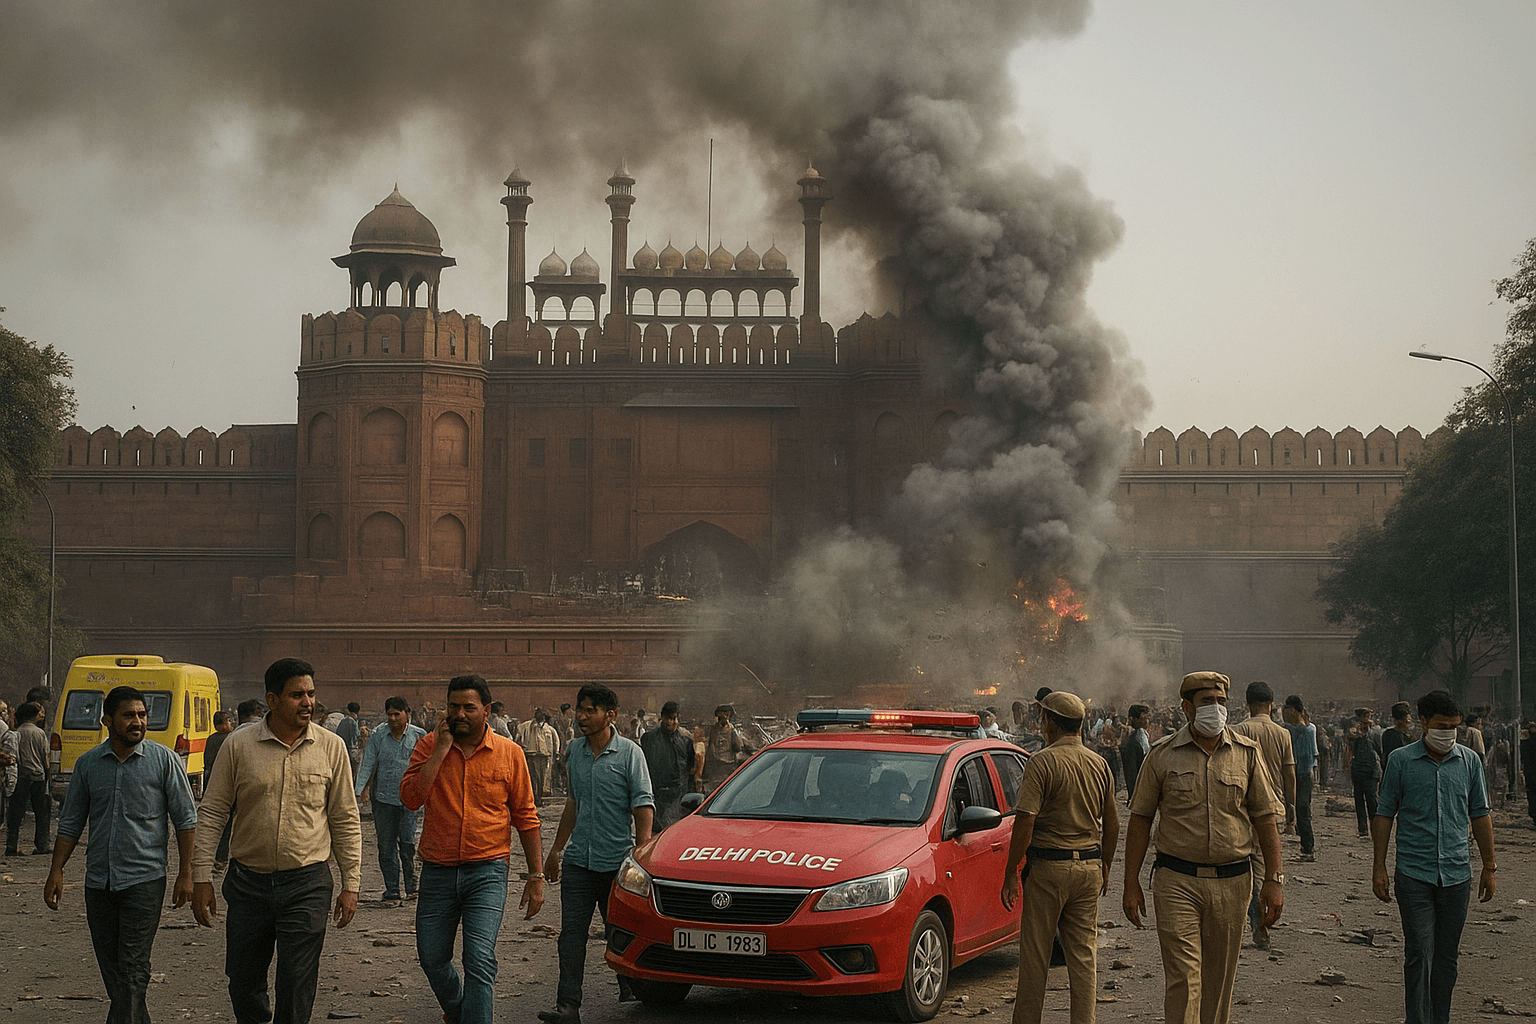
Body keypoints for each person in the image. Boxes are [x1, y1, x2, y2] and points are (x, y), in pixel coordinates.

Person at [191, 658, 363, 1024]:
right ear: (272, 699)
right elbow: (213, 812)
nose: (308, 703)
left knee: (298, 980)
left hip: (308, 883)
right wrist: (201, 876)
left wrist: (352, 884)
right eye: (297, 695)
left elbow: (345, 818)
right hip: (248, 884)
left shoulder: (331, 748)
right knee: (243, 980)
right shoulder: (238, 746)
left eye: (311, 694)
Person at [1123, 671, 1284, 1024]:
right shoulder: (1162, 755)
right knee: (1184, 980)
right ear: (1187, 707)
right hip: (1177, 881)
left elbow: (1266, 818)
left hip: (1234, 882)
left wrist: (1273, 879)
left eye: (1221, 701)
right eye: (1207, 702)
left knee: (1218, 984)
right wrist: (1130, 881)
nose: (1216, 709)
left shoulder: (1247, 754)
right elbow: (1140, 819)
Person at [45, 684, 198, 1024]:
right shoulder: (88, 765)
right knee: (114, 970)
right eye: (129, 715)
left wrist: (186, 874)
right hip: (99, 882)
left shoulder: (165, 761)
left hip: (144, 881)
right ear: (107, 721)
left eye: (142, 715)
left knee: (132, 967)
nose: (138, 722)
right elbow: (71, 822)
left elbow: (186, 820)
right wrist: (56, 870)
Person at [402, 675, 545, 1024]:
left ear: (487, 710)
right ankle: (460, 1010)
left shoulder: (509, 754)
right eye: (453, 706)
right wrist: (440, 750)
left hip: (488, 870)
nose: (460, 714)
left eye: (469, 707)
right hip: (438, 870)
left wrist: (536, 875)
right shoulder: (428, 746)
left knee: (479, 958)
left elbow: (526, 817)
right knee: (432, 958)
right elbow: (411, 799)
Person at [1372, 689, 1495, 1024]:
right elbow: (1385, 815)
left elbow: (1480, 815)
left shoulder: (1468, 761)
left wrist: (1489, 866)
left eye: (1454, 727)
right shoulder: (1400, 761)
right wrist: (1378, 866)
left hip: (1457, 875)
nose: (1448, 734)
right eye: (1441, 726)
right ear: (1423, 722)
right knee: (1418, 954)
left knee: (1446, 958)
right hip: (1413, 874)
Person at [539, 684, 654, 1024]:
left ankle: (631, 985)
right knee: (570, 937)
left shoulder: (630, 753)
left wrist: (641, 852)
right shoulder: (574, 751)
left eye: (590, 710)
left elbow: (643, 805)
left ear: (610, 715)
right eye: (580, 709)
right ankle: (567, 1007)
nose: (582, 716)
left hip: (616, 864)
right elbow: (572, 803)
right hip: (578, 862)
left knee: (617, 930)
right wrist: (557, 850)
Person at [1001, 690, 1118, 1024]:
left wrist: (1011, 872)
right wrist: (1105, 863)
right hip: (1088, 869)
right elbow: (1112, 821)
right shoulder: (1100, 764)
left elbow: (1025, 820)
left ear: (1050, 723)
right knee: (1083, 958)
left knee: (1036, 958)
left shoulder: (1041, 762)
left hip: (1049, 870)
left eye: (1043, 718)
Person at [1233, 681, 1294, 950]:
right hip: (1271, 808)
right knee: (1263, 867)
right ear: (1272, 703)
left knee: (1239, 868)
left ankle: (1246, 921)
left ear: (1248, 704)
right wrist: (1290, 806)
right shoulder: (1282, 734)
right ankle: (1260, 924)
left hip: (1243, 808)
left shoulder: (1239, 730)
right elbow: (1289, 773)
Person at [354, 696, 427, 905]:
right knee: (386, 846)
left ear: (407, 714)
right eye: (390, 714)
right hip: (384, 799)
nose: (393, 718)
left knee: (407, 843)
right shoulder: (378, 734)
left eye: (397, 714)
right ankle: (392, 889)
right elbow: (368, 762)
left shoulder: (419, 736)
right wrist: (359, 790)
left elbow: (428, 765)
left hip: (409, 800)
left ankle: (411, 887)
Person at [639, 700, 696, 830]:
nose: (673, 722)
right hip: (657, 793)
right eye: (670, 718)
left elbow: (690, 767)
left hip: (679, 794)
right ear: (663, 718)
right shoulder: (649, 739)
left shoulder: (685, 740)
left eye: (675, 718)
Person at [5, 701, 51, 856]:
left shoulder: (17, 733)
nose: (42, 715)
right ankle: (42, 845)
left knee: (16, 813)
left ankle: (11, 846)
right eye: (40, 712)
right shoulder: (40, 733)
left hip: (21, 777)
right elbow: (45, 758)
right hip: (38, 777)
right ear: (34, 715)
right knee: (41, 813)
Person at [1281, 695, 1317, 863]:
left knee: (1302, 810)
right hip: (1297, 773)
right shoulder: (1294, 729)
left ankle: (1308, 848)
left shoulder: (1306, 730)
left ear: (1293, 711)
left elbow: (1308, 757)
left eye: (1286, 711)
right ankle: (1304, 842)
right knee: (1295, 808)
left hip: (1302, 774)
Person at [204, 710, 237, 874]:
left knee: (214, 825)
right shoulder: (229, 740)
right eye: (228, 721)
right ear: (220, 724)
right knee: (227, 826)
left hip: (211, 786)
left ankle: (212, 858)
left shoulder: (210, 739)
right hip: (227, 788)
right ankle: (221, 859)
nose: (230, 724)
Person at [1345, 707, 1381, 838]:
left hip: (1371, 771)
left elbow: (1379, 749)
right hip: (1358, 769)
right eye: (1365, 716)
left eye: (1369, 716)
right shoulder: (1354, 731)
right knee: (1359, 801)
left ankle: (1374, 827)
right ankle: (1363, 829)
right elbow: (1349, 739)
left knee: (1372, 800)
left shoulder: (1376, 731)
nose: (1367, 719)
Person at [702, 703, 748, 793]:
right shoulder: (713, 731)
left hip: (726, 768)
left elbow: (739, 747)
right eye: (724, 714)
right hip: (716, 768)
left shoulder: (731, 731)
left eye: (727, 714)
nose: (726, 716)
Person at [518, 708, 560, 803]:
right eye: (538, 714)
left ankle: (540, 796)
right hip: (533, 755)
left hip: (545, 756)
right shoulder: (528, 726)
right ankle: (535, 797)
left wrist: (556, 752)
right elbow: (518, 733)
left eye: (541, 715)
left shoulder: (549, 729)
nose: (539, 716)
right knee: (533, 777)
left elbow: (556, 741)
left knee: (543, 777)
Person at [1120, 705, 1151, 802]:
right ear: (1132, 719)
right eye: (1143, 718)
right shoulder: (1132, 741)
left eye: (1147, 718)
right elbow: (1131, 773)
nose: (1146, 721)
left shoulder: (1143, 735)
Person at [333, 702, 362, 781]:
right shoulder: (353, 723)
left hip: (342, 749)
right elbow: (355, 737)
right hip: (351, 750)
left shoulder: (343, 721)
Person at [1382, 701, 1415, 765]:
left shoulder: (1406, 735)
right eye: (1407, 721)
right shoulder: (1391, 735)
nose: (1408, 724)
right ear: (1400, 721)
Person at [1522, 721, 1536, 828]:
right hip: (1530, 773)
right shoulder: (1526, 743)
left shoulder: (1526, 743)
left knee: (1531, 794)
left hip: (1530, 773)